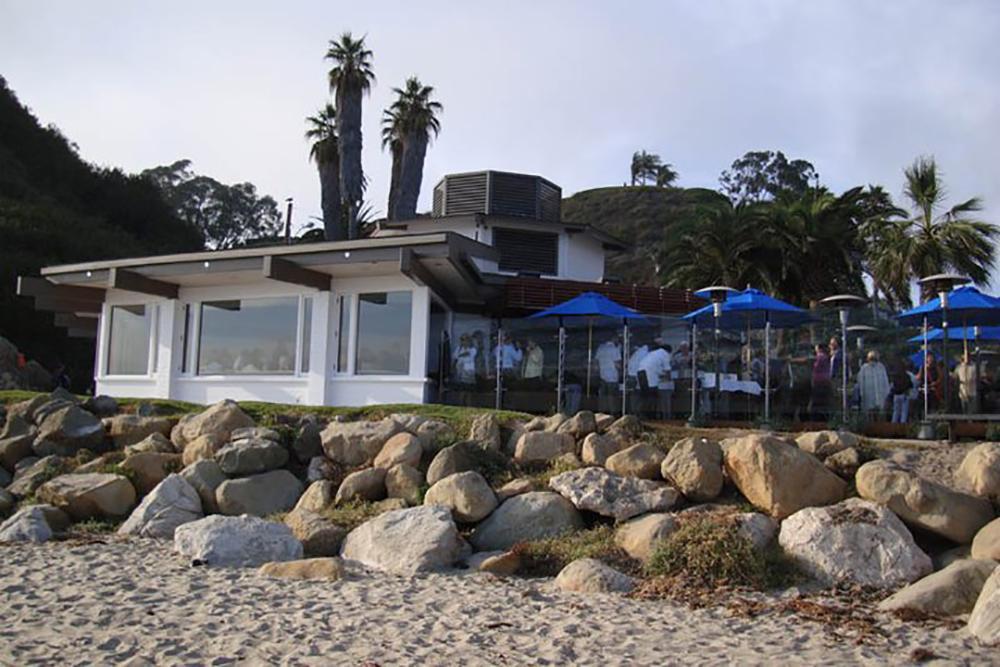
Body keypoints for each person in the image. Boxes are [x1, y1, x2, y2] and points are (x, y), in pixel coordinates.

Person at [639, 340, 673, 419]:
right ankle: (650, 417)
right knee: (652, 397)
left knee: (645, 397)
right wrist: (667, 378)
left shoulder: (653, 353)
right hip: (649, 376)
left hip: (641, 373)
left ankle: (644, 415)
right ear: (669, 351)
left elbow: (658, 369)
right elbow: (668, 372)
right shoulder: (665, 354)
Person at [857, 350, 891, 419]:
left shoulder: (881, 367)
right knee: (869, 413)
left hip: (880, 395)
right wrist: (861, 393)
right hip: (868, 395)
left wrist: (887, 393)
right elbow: (860, 382)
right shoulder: (864, 368)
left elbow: (885, 381)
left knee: (879, 413)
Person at [594, 334, 622, 413]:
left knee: (603, 398)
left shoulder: (601, 347)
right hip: (612, 377)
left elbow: (596, 362)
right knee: (612, 398)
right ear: (614, 338)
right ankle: (613, 415)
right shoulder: (614, 349)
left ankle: (601, 414)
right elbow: (618, 364)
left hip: (602, 376)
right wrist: (621, 371)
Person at [810, 343, 832, 420]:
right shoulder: (825, 357)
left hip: (820, 383)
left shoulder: (820, 357)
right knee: (823, 402)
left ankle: (817, 419)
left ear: (819, 348)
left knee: (817, 402)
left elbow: (815, 366)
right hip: (825, 382)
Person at [890, 359, 913, 424]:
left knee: (896, 412)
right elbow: (911, 385)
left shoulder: (895, 376)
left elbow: (893, 386)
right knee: (904, 412)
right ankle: (902, 426)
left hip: (896, 395)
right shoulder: (907, 376)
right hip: (904, 395)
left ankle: (893, 425)